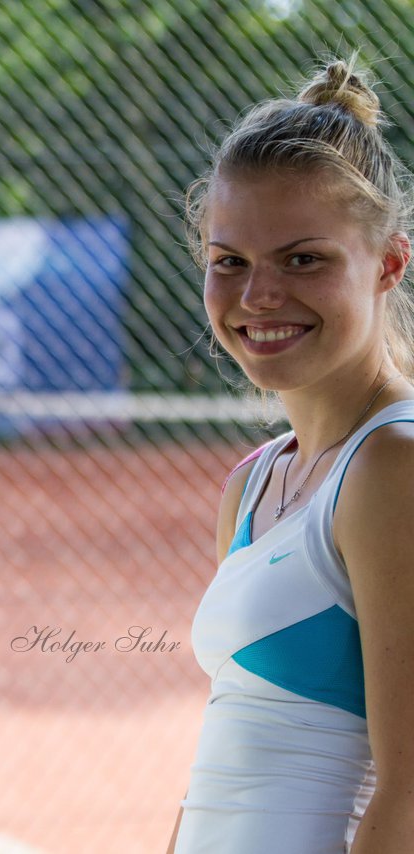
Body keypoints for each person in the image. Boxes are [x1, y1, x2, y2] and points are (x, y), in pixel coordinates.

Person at [168, 57, 414, 853]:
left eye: (304, 259)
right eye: (228, 262)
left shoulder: (394, 467)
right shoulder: (251, 482)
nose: (258, 296)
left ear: (387, 264)